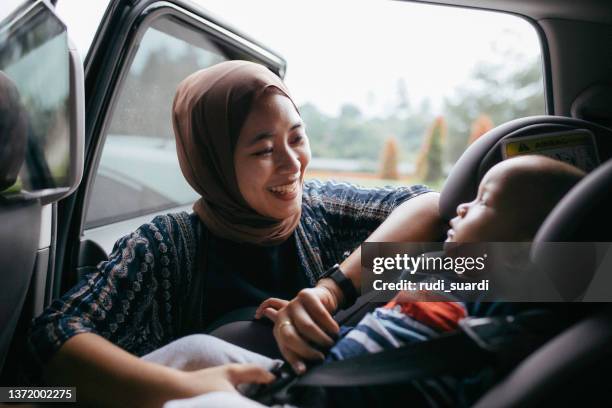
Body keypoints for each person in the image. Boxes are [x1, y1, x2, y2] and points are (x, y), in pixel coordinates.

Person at [27, 60, 444, 407]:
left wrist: (331, 290)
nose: (291, 164)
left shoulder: (321, 209)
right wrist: (186, 387)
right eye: (263, 150)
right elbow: (53, 337)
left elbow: (429, 206)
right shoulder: (166, 246)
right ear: (215, 162)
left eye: (297, 138)